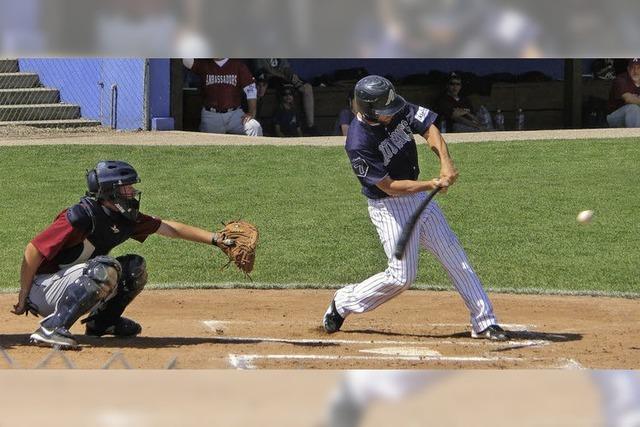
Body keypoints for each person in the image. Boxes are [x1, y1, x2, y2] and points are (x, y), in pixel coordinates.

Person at [322, 75, 509, 341]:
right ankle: (343, 301)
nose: (393, 113)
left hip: (418, 199)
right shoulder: (358, 142)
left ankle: (484, 321)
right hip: (389, 207)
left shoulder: (395, 107)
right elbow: (389, 186)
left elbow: (429, 127)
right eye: (385, 111)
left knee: (454, 255)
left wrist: (445, 162)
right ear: (370, 111)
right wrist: (431, 184)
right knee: (402, 277)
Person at [12, 160, 237, 350]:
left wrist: (215, 239)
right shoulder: (80, 216)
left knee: (134, 268)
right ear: (109, 191)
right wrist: (24, 294)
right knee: (103, 268)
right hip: (43, 288)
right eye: (126, 188)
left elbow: (169, 228)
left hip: (74, 281)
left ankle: (103, 322)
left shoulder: (126, 218)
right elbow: (33, 250)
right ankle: (50, 328)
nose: (132, 192)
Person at [183, 58, 263, 136]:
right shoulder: (204, 64)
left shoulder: (237, 64)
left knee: (254, 127)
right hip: (211, 115)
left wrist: (251, 112)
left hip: (234, 114)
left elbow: (250, 89)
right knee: (208, 144)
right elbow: (186, 61)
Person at [253, 58, 316, 134]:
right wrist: (283, 76)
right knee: (260, 85)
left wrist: (292, 77)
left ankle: (310, 126)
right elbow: (263, 70)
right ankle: (256, 123)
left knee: (307, 87)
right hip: (268, 78)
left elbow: (286, 68)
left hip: (282, 78)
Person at [606, 58, 640, 128]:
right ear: (628, 69)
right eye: (632, 68)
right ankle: (635, 137)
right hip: (616, 117)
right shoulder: (621, 79)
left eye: (639, 68)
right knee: (633, 108)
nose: (635, 71)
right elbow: (629, 99)